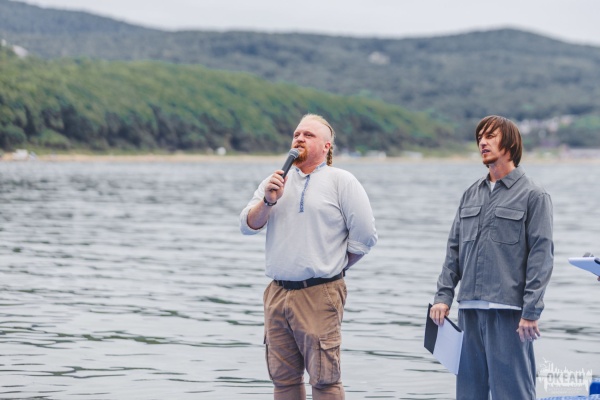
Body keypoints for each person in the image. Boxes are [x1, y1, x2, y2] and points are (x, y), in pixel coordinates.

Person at [240, 114, 377, 400]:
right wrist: (268, 201)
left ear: (326, 147)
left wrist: (334, 267)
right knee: (283, 380)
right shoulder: (274, 181)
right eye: (297, 134)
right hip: (277, 292)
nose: (299, 138)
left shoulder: (341, 181)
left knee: (325, 379)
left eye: (308, 135)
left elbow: (365, 237)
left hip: (320, 291)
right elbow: (248, 225)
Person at [429, 115, 554, 399]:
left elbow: (541, 257)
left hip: (509, 313)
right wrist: (443, 297)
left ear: (510, 143)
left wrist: (531, 311)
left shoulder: (534, 195)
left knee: (513, 393)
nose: (482, 143)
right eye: (479, 138)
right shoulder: (470, 195)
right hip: (469, 310)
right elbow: (453, 250)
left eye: (490, 136)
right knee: (469, 394)